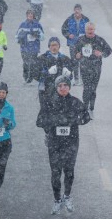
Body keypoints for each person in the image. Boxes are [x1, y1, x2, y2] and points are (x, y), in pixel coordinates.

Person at [36, 75, 90, 215]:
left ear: (69, 87)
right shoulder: (49, 102)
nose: (63, 88)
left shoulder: (76, 102)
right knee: (55, 172)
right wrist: (51, 125)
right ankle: (56, 200)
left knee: (69, 171)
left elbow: (86, 117)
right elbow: (40, 121)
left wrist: (77, 120)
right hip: (54, 142)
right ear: (56, 87)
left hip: (71, 142)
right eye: (60, 86)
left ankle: (67, 196)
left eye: (65, 85)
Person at [75, 22, 112, 119]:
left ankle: (92, 104)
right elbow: (74, 51)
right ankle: (85, 106)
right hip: (84, 68)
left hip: (96, 68)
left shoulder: (100, 40)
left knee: (93, 88)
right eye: (88, 29)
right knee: (87, 87)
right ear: (85, 30)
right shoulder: (80, 40)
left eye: (92, 29)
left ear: (94, 30)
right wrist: (77, 55)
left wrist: (101, 54)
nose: (90, 31)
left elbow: (109, 51)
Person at [33, 37, 72, 108]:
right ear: (49, 47)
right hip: (45, 91)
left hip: (61, 90)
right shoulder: (41, 58)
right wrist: (47, 73)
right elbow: (35, 75)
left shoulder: (65, 59)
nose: (54, 47)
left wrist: (69, 74)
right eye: (52, 45)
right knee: (46, 112)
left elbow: (70, 77)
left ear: (59, 46)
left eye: (56, 45)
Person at [61, 4, 89, 86]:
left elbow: (90, 30)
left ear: (81, 11)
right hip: (73, 43)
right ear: (74, 10)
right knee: (75, 62)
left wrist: (86, 37)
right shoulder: (69, 19)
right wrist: (68, 35)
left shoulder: (86, 19)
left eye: (79, 9)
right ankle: (76, 79)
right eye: (76, 9)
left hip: (83, 44)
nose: (77, 11)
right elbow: (63, 29)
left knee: (84, 62)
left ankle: (84, 79)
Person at [15, 9, 44, 83]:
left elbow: (42, 37)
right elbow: (16, 36)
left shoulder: (37, 25)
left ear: (33, 16)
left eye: (32, 15)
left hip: (34, 48)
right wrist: (20, 39)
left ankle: (30, 77)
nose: (30, 16)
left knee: (33, 63)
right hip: (24, 47)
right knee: (26, 62)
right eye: (29, 15)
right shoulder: (22, 25)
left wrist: (36, 35)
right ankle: (25, 76)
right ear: (27, 16)